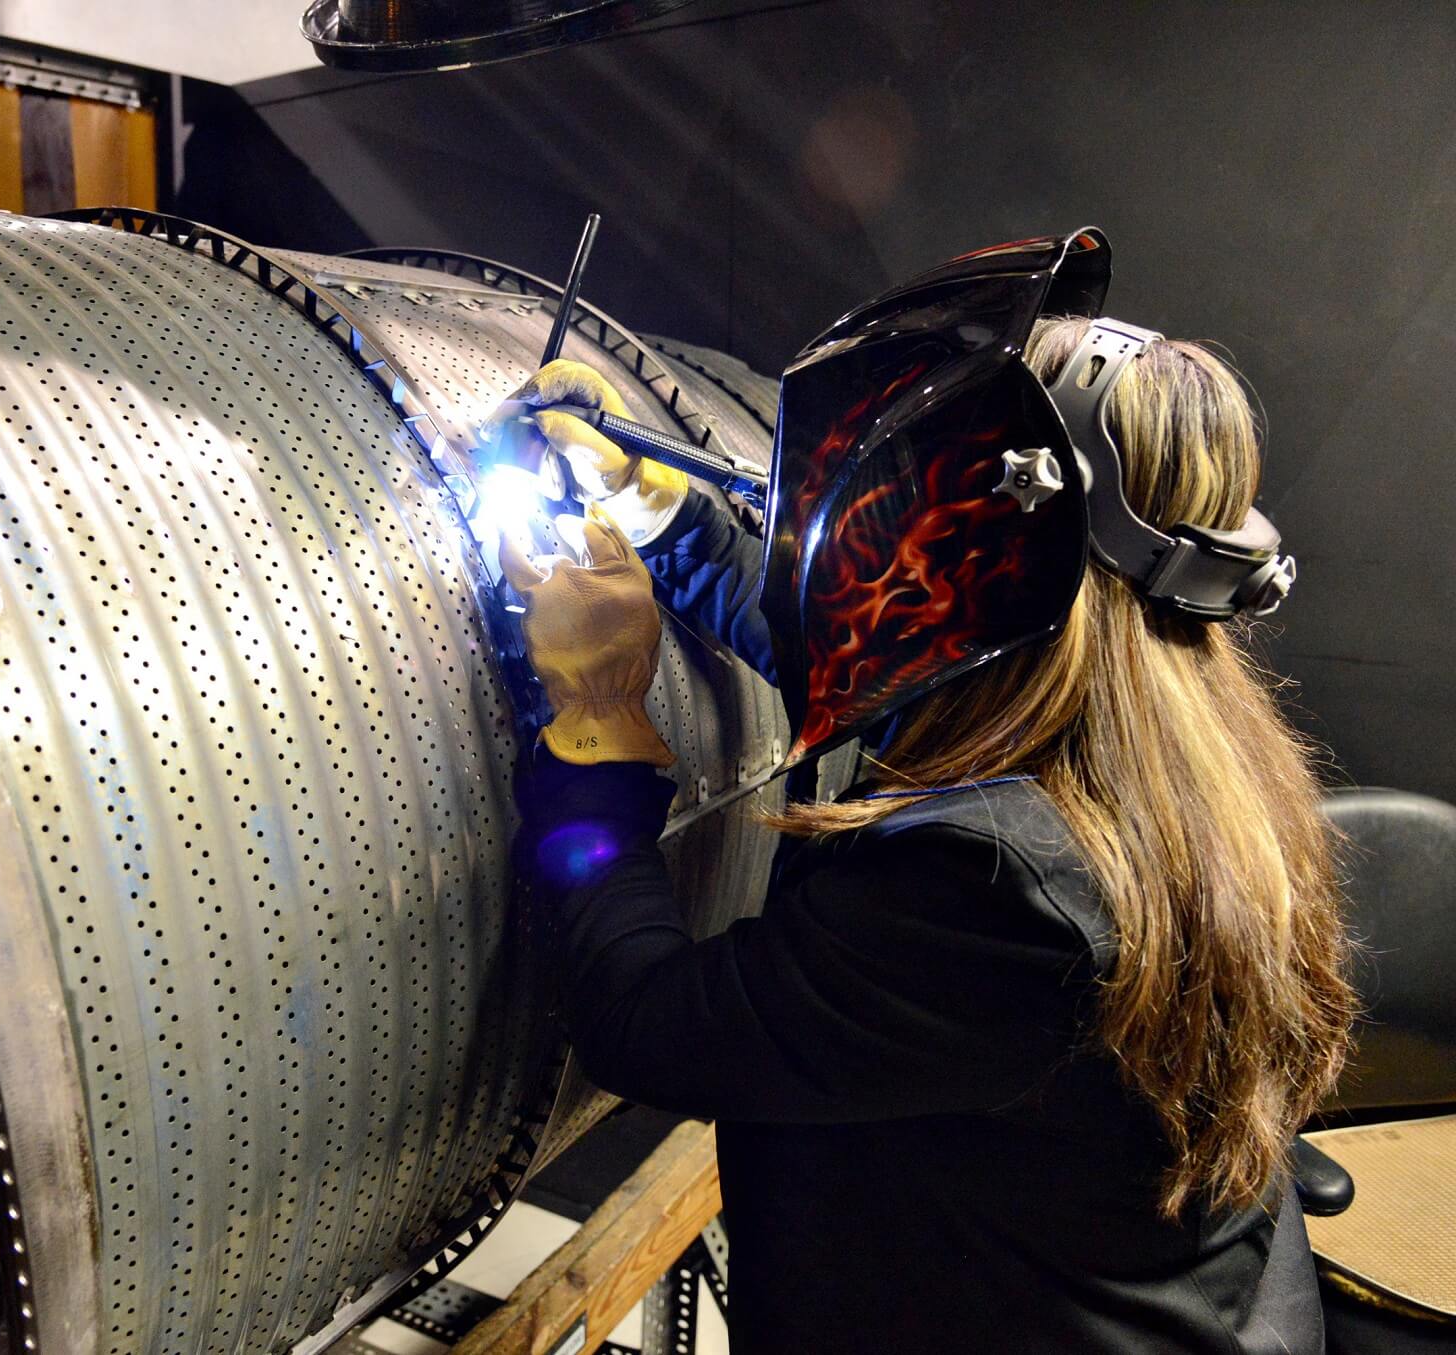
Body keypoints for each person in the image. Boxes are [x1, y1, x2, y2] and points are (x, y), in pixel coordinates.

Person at [495, 234, 1356, 1354]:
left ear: (1002, 547)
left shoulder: (996, 885)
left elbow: (645, 1023)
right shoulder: (1190, 744)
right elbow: (877, 664)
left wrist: (601, 723)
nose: (888, 532)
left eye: (916, 503)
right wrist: (661, 515)